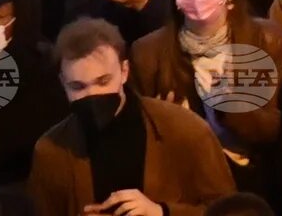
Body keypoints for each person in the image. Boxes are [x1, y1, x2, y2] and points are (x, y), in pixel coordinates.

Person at [27, 16, 235, 216]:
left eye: (103, 81)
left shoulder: (185, 130)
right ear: (63, 83)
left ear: (124, 71)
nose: (93, 95)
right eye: (78, 86)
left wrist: (161, 212)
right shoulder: (51, 151)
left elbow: (233, 211)